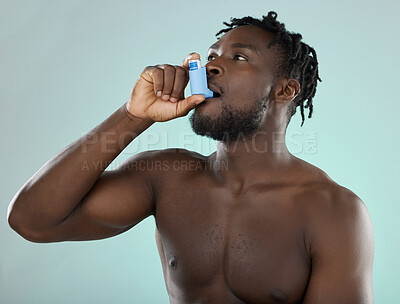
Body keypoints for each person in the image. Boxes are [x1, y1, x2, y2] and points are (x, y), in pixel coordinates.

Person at [7, 11, 374, 304]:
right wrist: (134, 117)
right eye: (212, 55)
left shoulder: (333, 210)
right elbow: (33, 221)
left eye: (239, 57)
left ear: (284, 90)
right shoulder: (166, 178)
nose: (211, 65)